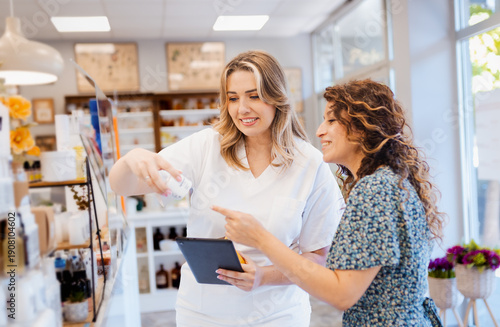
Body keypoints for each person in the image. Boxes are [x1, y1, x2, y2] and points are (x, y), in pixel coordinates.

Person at [109, 50, 344, 326]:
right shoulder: (206, 146)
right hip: (205, 312)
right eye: (233, 98)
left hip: (278, 313)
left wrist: (263, 276)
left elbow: (318, 258)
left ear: (277, 97)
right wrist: (130, 160)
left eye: (253, 96)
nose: (241, 109)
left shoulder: (309, 162)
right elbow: (121, 186)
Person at [214, 79, 445, 326]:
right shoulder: (387, 183)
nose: (320, 130)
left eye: (331, 120)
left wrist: (261, 238)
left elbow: (341, 293)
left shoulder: (375, 189)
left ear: (362, 126)